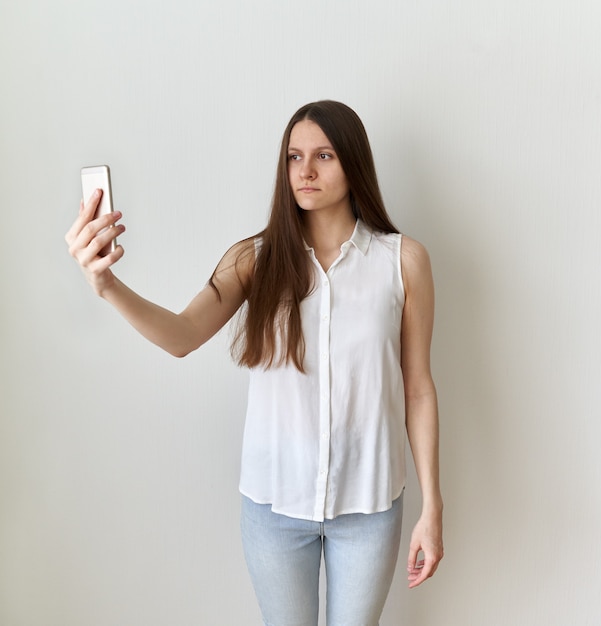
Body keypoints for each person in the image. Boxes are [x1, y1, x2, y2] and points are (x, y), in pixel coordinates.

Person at [65, 100, 443, 625]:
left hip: (369, 505)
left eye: (324, 155)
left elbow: (418, 388)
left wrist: (433, 505)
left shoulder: (404, 262)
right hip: (272, 508)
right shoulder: (254, 260)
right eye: (293, 156)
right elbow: (181, 335)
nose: (304, 171)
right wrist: (106, 286)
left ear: (354, 162)